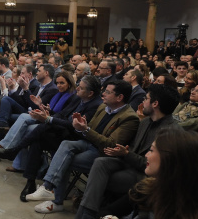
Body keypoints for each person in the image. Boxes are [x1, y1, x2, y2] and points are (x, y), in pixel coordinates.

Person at [26, 80, 139, 214]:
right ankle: (48, 187)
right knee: (66, 144)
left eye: (108, 92)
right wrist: (80, 126)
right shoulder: (103, 107)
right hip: (89, 143)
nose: (103, 94)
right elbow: (89, 127)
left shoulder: (129, 118)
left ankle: (55, 199)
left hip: (103, 153)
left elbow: (111, 145)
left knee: (64, 160)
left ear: (120, 97)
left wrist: (85, 129)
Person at [75, 84, 181, 219]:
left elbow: (155, 166)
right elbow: (132, 147)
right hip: (128, 163)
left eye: (146, 98)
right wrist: (120, 151)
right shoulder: (145, 122)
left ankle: (87, 214)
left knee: (98, 180)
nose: (143, 101)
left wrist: (126, 154)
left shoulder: (171, 132)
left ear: (155, 104)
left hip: (144, 174)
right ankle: (89, 213)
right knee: (100, 163)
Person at [97, 128, 198, 219]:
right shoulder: (148, 187)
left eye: (151, 150)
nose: (146, 155)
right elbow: (109, 210)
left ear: (171, 160)